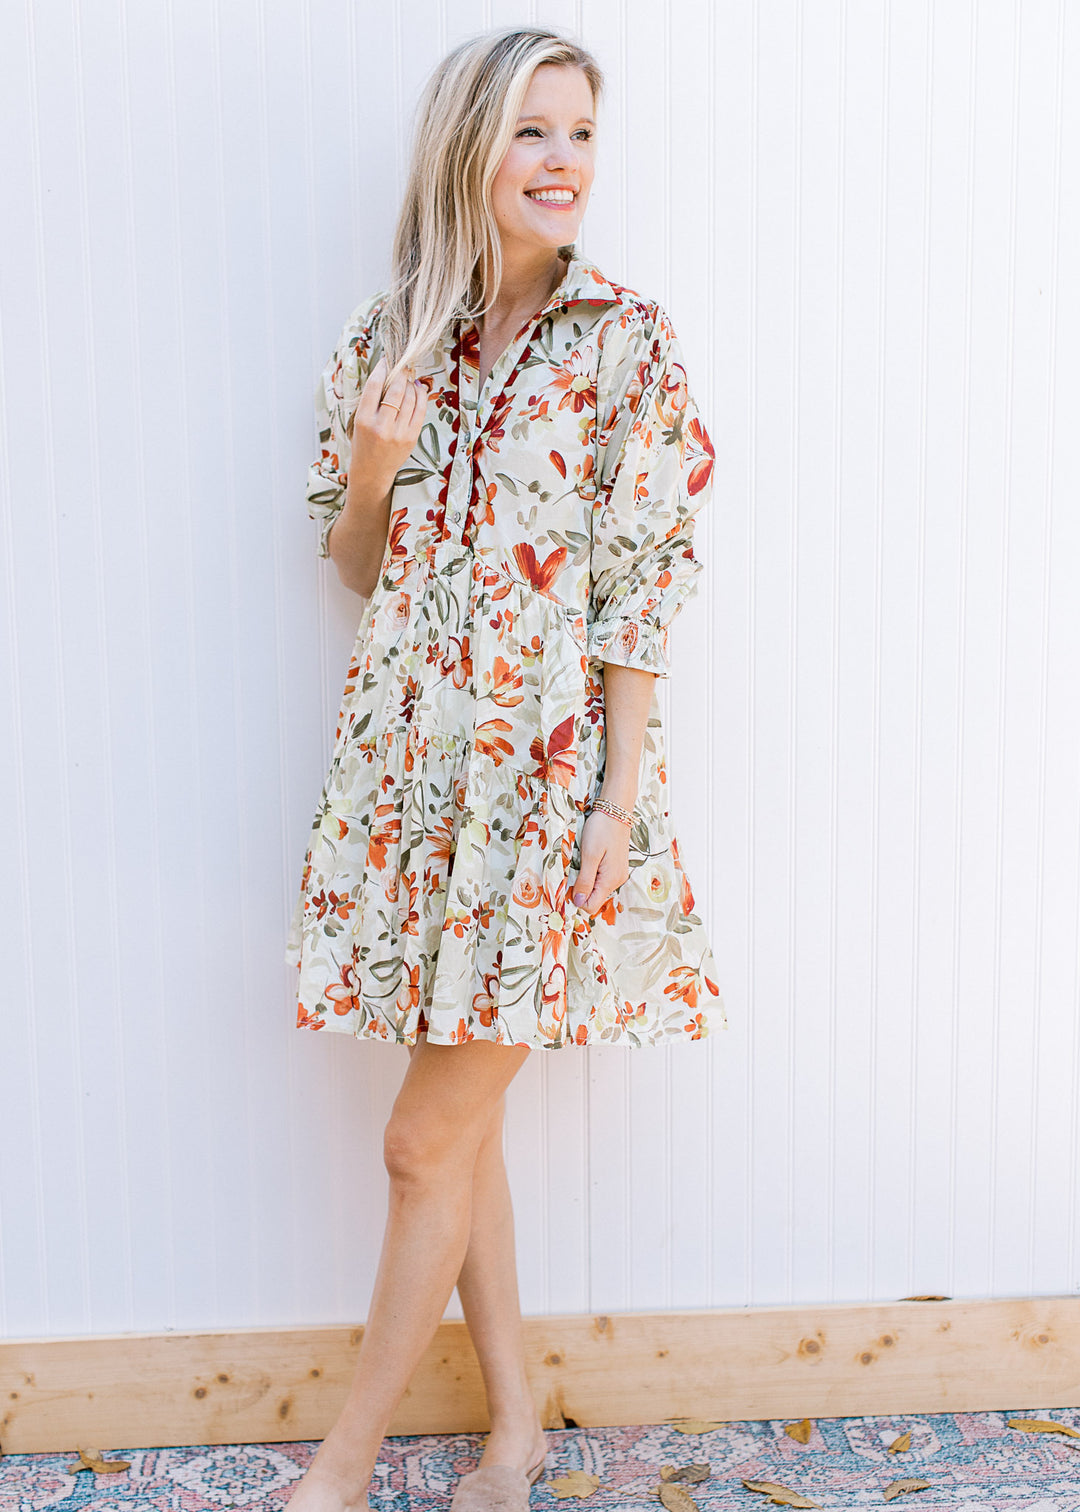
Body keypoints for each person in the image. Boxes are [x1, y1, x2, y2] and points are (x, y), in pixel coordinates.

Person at [283, 24, 727, 1512]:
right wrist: (367, 465)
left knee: (422, 1138)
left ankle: (343, 1467)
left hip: (545, 798)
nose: (564, 163)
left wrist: (615, 794)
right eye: (535, 132)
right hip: (412, 793)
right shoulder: (387, 339)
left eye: (583, 134)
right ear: (468, 149)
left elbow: (641, 586)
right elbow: (357, 571)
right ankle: (518, 1433)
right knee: (460, 1136)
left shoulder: (628, 343)